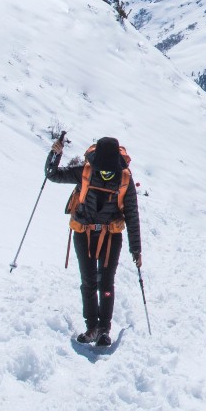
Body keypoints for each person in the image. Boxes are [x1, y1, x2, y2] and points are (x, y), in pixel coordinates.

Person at [46, 134, 142, 345]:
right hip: (97, 234)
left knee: (100, 282)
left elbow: (132, 215)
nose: (106, 172)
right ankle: (94, 327)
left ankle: (101, 328)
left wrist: (136, 249)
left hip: (94, 234)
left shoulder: (104, 175)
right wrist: (55, 154)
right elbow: (51, 174)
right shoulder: (104, 175)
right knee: (92, 282)